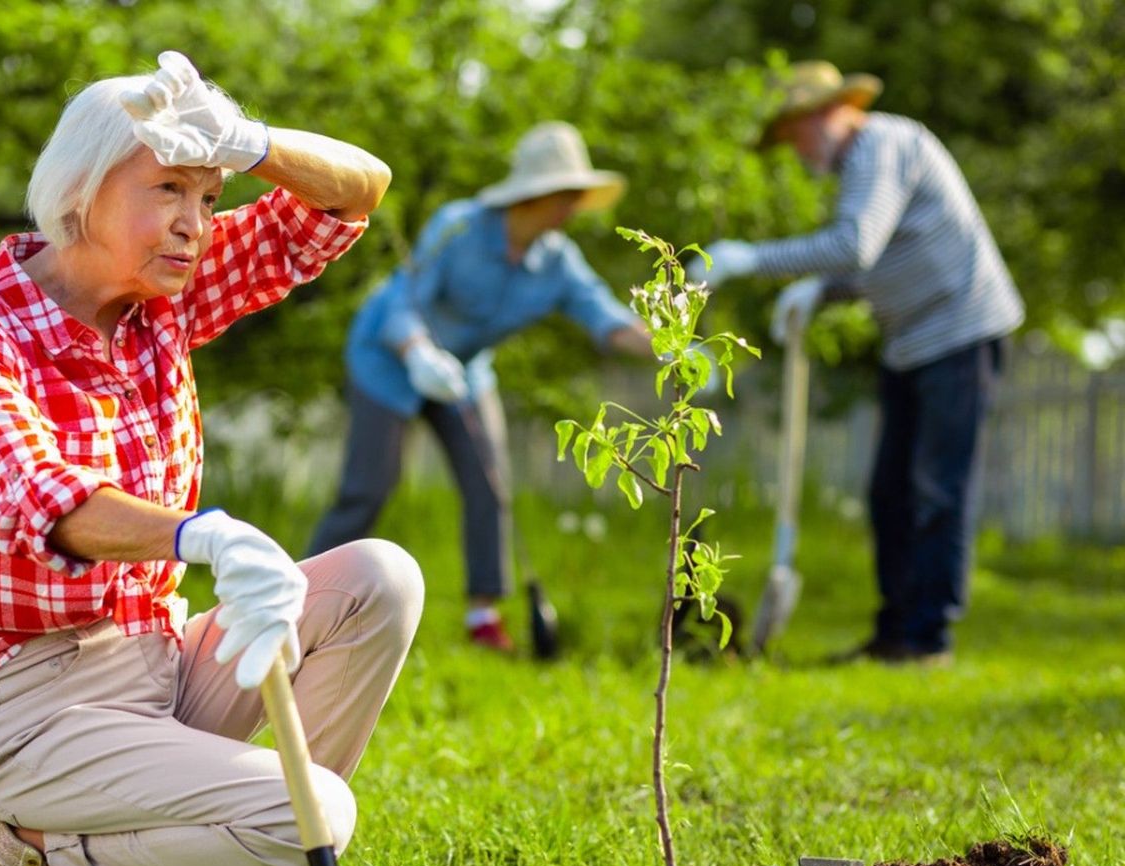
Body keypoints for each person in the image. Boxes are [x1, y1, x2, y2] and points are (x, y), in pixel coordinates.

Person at [0, 51, 419, 866]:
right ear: (79, 192)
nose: (195, 224)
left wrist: (252, 143)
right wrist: (198, 534)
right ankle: (5, 849)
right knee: (314, 813)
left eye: (208, 196)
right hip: (24, 708)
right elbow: (43, 499)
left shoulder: (163, 303)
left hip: (154, 661)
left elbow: (354, 196)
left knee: (381, 577)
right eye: (168, 190)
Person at [694, 61, 1023, 665]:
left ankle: (928, 639)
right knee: (889, 492)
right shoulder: (861, 163)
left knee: (936, 490)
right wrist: (825, 290)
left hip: (960, 331)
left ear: (826, 114)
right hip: (910, 341)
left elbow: (855, 244)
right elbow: (881, 255)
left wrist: (748, 259)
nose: (795, 152)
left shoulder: (882, 145)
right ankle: (895, 630)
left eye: (794, 136)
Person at [307, 121, 656, 652]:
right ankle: (296, 598)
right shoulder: (459, 228)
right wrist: (419, 352)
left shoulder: (557, 262)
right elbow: (403, 300)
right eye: (565, 196)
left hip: (465, 372)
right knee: (370, 486)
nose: (571, 208)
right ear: (534, 195)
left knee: (489, 482)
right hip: (388, 355)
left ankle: (482, 618)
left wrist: (675, 354)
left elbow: (606, 318)